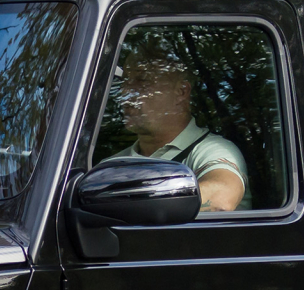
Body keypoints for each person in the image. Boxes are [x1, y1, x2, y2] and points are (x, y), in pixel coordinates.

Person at [106, 48, 249, 212]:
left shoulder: (211, 151)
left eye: (142, 81)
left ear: (181, 92)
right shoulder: (111, 166)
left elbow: (220, 200)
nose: (125, 92)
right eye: (125, 82)